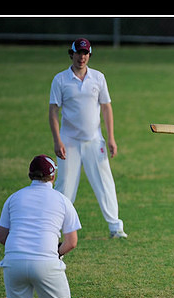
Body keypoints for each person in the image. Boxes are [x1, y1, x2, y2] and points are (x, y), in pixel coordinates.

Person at [0, 155, 83, 298]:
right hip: (46, 262)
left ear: (30, 175)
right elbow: (71, 242)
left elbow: (2, 237)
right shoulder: (62, 200)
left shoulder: (13, 198)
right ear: (53, 176)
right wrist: (54, 252)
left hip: (13, 261)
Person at [49, 38, 127, 238]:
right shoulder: (60, 80)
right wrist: (57, 140)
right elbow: (53, 112)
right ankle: (53, 228)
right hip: (69, 142)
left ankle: (115, 227)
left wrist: (111, 138)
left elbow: (106, 107)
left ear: (89, 55)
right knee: (65, 186)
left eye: (85, 54)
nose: (81, 57)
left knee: (104, 183)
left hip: (94, 140)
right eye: (78, 53)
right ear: (71, 54)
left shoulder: (98, 78)